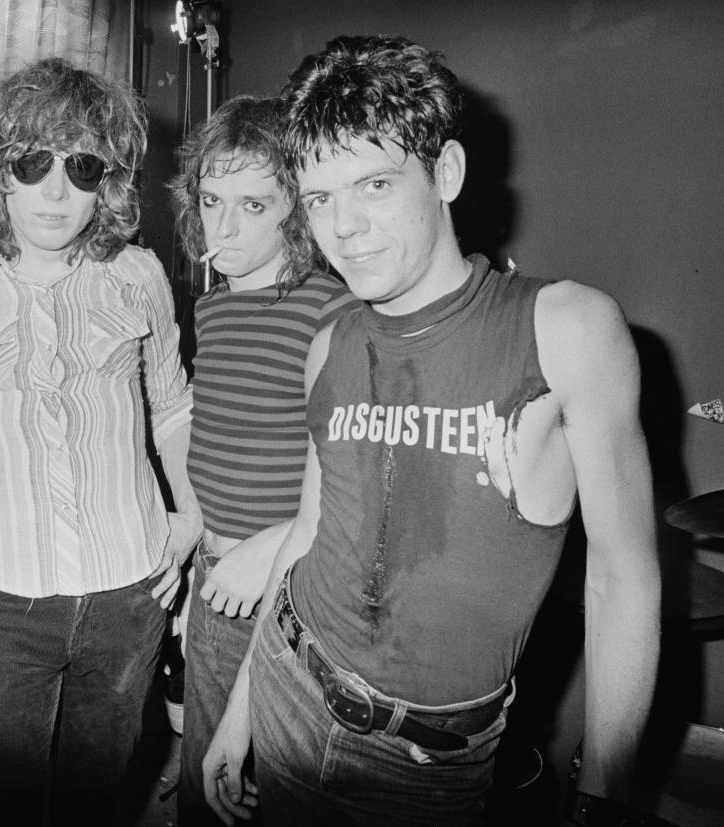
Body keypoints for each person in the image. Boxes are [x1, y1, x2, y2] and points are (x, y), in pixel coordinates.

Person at [202, 34, 661, 826]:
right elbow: (308, 532)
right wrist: (240, 708)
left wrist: (605, 796)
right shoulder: (329, 346)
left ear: (444, 173)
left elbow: (623, 578)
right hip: (286, 686)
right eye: (319, 199)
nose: (344, 227)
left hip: (423, 767)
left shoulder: (566, 331)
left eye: (374, 184)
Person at [0, 57, 202, 825]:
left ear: (105, 182)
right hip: (4, 606)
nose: (54, 191)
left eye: (80, 166)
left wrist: (191, 516)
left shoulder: (138, 277)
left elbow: (172, 408)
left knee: (98, 803)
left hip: (128, 596)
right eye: (33, 163)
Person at [167, 95, 362, 825]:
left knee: (269, 790)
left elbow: (350, 487)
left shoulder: (331, 310)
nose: (224, 226)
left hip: (286, 589)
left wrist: (271, 544)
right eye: (212, 201)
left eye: (253, 205)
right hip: (213, 580)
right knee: (203, 787)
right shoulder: (210, 309)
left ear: (296, 209)